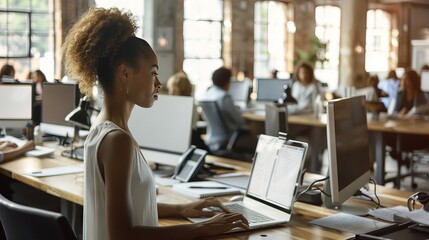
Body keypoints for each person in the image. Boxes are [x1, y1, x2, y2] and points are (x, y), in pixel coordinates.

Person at [62, 8, 248, 240]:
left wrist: (181, 209)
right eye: (153, 73)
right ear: (125, 73)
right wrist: (202, 228)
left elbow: (126, 208)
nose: (159, 83)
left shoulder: (102, 126)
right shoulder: (117, 139)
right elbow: (122, 234)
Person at [200, 67, 247, 153]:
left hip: (210, 140)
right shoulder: (224, 97)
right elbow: (240, 122)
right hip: (226, 141)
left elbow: (204, 117)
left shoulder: (206, 94)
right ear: (227, 81)